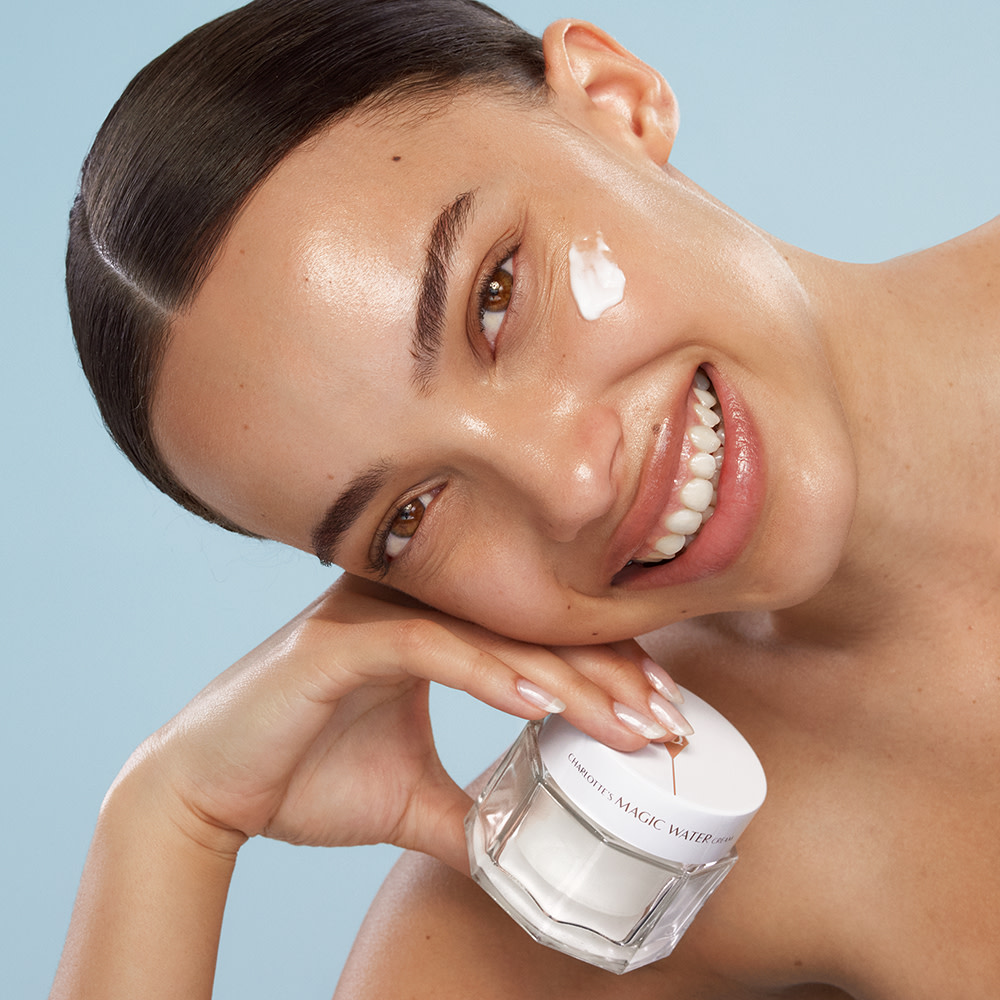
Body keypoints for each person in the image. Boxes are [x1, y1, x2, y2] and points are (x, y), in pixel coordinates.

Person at [53, 0, 1000, 997]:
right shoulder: (623, 861)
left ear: (614, 100)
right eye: (410, 516)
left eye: (495, 296)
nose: (570, 487)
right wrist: (169, 819)